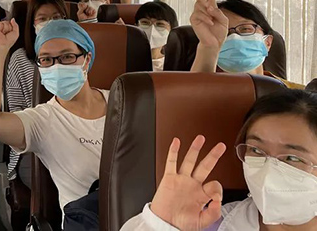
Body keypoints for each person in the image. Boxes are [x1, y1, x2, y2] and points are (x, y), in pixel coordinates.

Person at [0, 19, 108, 229]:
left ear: (87, 58)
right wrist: (0, 48)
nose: (57, 66)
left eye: (67, 56)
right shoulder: (42, 121)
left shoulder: (123, 103)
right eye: (46, 60)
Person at [121, 88, 317, 230]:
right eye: (256, 150)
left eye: (292, 158)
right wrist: (161, 224)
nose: (268, 173)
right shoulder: (208, 224)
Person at [188, 0, 302, 88]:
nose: (234, 37)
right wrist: (209, 47)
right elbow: (194, 97)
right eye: (226, 33)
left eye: (245, 29)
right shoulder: (207, 92)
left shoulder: (298, 94)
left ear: (268, 42)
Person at [5, 0, 69, 186]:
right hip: (34, 145)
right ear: (32, 24)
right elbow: (15, 112)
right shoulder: (20, 59)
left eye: (57, 18)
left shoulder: (78, 56)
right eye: (43, 19)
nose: (51, 24)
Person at [134, 1, 178, 72]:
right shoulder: (126, 60)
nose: (152, 29)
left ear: (172, 29)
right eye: (145, 22)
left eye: (160, 24)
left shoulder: (177, 62)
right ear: (136, 26)